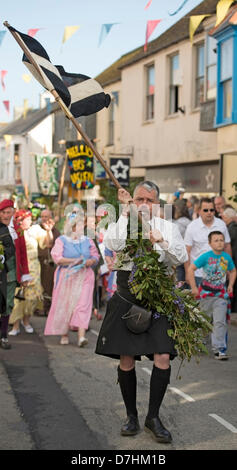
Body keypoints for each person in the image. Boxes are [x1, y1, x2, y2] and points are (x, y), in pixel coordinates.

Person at [95, 181, 188, 444]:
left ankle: (153, 417)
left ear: (157, 203)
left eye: (149, 200)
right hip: (127, 296)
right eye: (139, 200)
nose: (144, 204)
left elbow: (180, 257)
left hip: (158, 298)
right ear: (133, 201)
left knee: (163, 358)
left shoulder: (167, 226)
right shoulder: (124, 220)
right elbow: (112, 242)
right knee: (126, 360)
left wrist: (163, 241)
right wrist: (126, 212)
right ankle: (131, 416)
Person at [44, 209, 99, 347]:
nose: (81, 227)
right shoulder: (62, 240)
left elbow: (95, 256)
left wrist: (91, 261)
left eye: (82, 224)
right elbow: (57, 258)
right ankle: (64, 333)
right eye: (78, 225)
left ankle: (81, 337)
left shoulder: (88, 241)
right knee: (66, 304)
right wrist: (74, 261)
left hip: (85, 275)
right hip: (66, 275)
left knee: (83, 305)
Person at [188, 231, 236, 360]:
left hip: (221, 295)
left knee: (219, 321)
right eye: (216, 240)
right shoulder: (206, 257)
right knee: (204, 321)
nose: (219, 242)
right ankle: (199, 342)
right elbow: (191, 269)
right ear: (210, 243)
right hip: (205, 294)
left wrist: (230, 284)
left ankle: (219, 349)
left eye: (221, 240)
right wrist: (193, 287)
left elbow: (233, 270)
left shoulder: (226, 257)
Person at [9, 209, 53, 336]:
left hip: (33, 268)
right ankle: (16, 325)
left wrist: (48, 231)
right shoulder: (15, 232)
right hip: (19, 267)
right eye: (27, 219)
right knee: (18, 297)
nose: (30, 221)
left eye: (30, 219)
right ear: (20, 220)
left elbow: (48, 243)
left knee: (31, 297)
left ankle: (26, 321)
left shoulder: (35, 230)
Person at [0, 199, 31, 346]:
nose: (6, 215)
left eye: (9, 212)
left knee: (7, 304)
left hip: (12, 273)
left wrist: (25, 273)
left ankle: (4, 336)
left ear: (13, 213)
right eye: (3, 212)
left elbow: (23, 253)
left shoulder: (17, 229)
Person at [184, 198, 232, 287]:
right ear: (199, 211)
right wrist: (187, 272)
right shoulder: (192, 227)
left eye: (211, 210)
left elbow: (227, 246)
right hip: (198, 275)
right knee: (199, 301)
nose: (209, 212)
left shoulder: (221, 225)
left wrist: (229, 267)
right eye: (205, 210)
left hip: (219, 274)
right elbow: (187, 251)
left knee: (220, 300)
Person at [38, 209, 60, 316]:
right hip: (39, 262)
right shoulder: (37, 229)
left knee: (49, 285)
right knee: (40, 285)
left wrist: (49, 230)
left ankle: (48, 307)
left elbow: (52, 245)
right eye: (42, 216)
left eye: (46, 216)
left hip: (51, 263)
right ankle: (40, 307)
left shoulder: (55, 231)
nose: (44, 219)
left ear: (50, 217)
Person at [0, 220, 15, 349]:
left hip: (5, 272)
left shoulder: (4, 229)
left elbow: (11, 249)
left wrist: (3, 256)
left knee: (5, 304)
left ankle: (3, 335)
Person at [221, 207, 237, 312]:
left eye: (224, 218)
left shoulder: (230, 230)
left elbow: (227, 249)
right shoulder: (232, 228)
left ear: (227, 217)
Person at [173, 200, 191, 283]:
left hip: (181, 256)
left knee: (180, 284)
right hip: (189, 255)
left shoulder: (178, 224)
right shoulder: (189, 222)